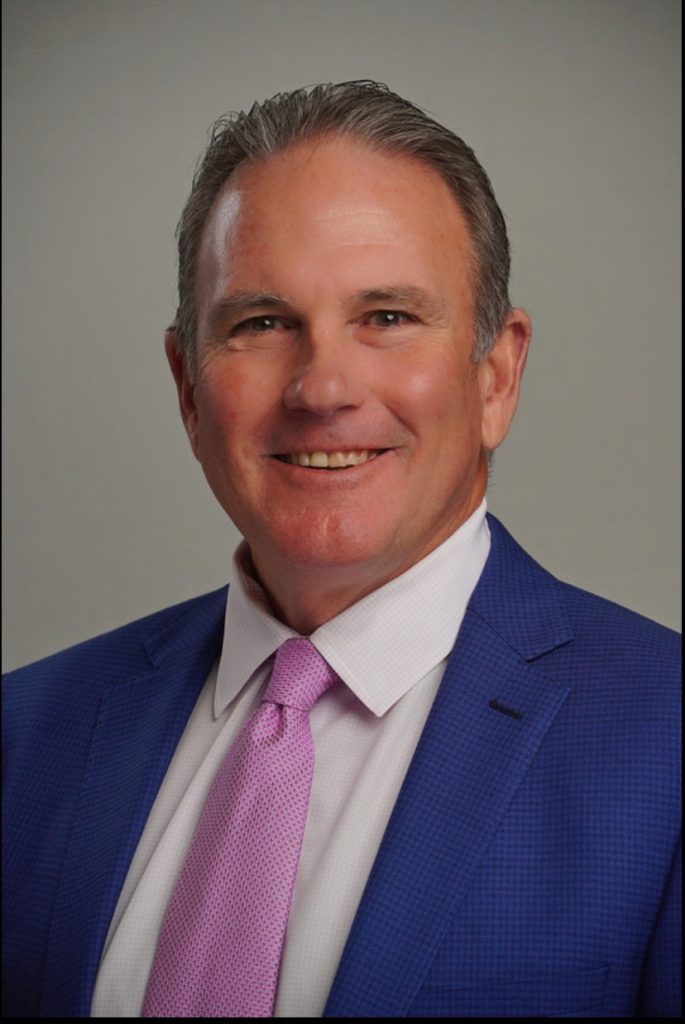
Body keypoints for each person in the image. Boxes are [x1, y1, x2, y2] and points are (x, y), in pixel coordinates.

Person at [2, 81, 680, 1019]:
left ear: (497, 374)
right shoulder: (24, 734)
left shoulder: (665, 746)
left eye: (388, 317)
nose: (321, 387)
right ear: (188, 389)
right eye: (262, 323)